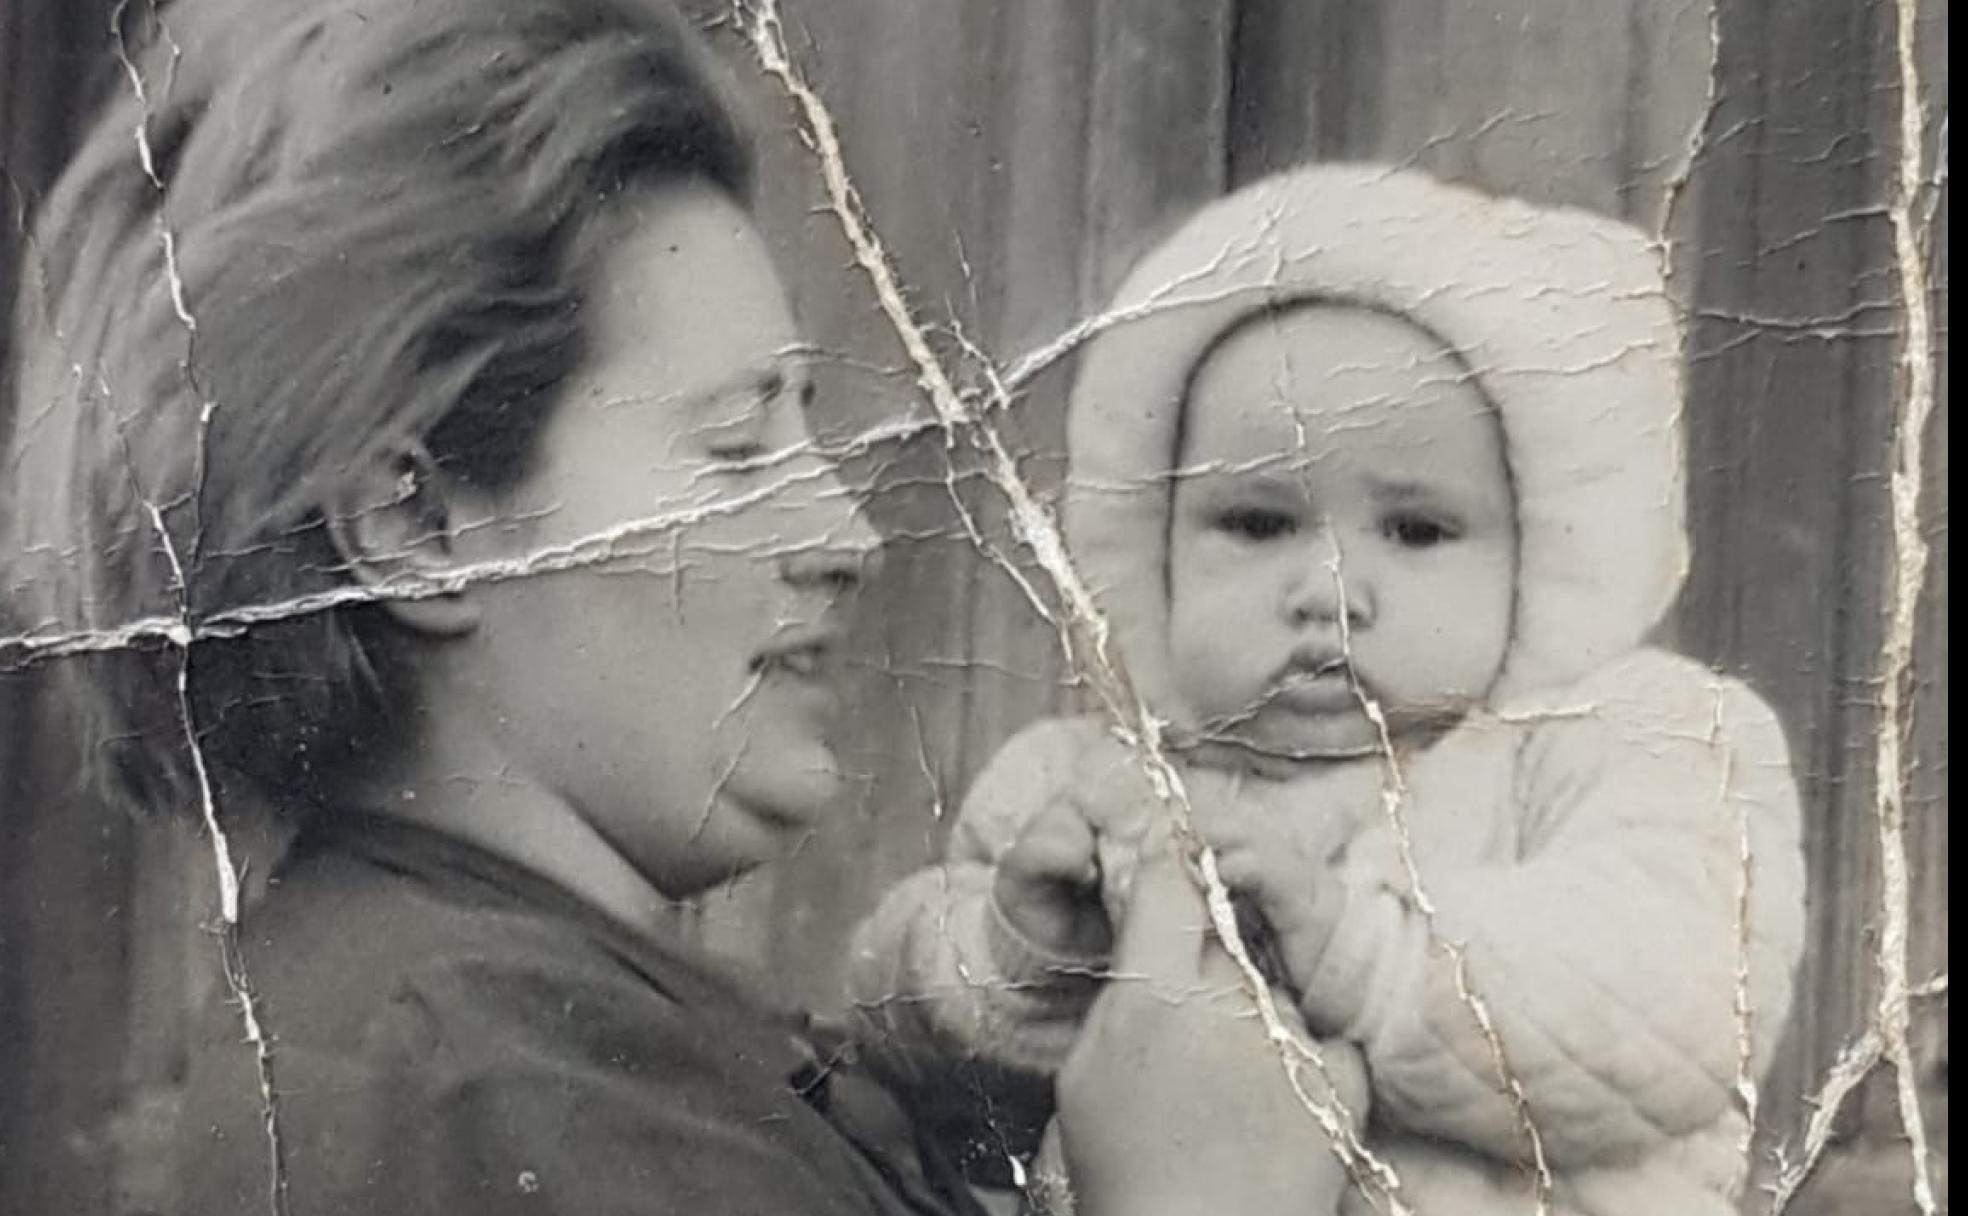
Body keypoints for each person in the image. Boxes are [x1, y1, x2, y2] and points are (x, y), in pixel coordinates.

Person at [0, 1, 1345, 1213]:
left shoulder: (479, 1015)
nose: (849, 532)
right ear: (417, 531)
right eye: (735, 450)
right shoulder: (500, 1091)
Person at [848, 165, 1809, 1216]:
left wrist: (1367, 953)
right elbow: (903, 1060)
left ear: (1534, 551)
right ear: (1151, 552)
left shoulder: (1619, 742)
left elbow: (1671, 1004)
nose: (1327, 592)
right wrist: (1012, 958)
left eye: (1416, 530)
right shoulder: (1079, 784)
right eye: (1258, 524)